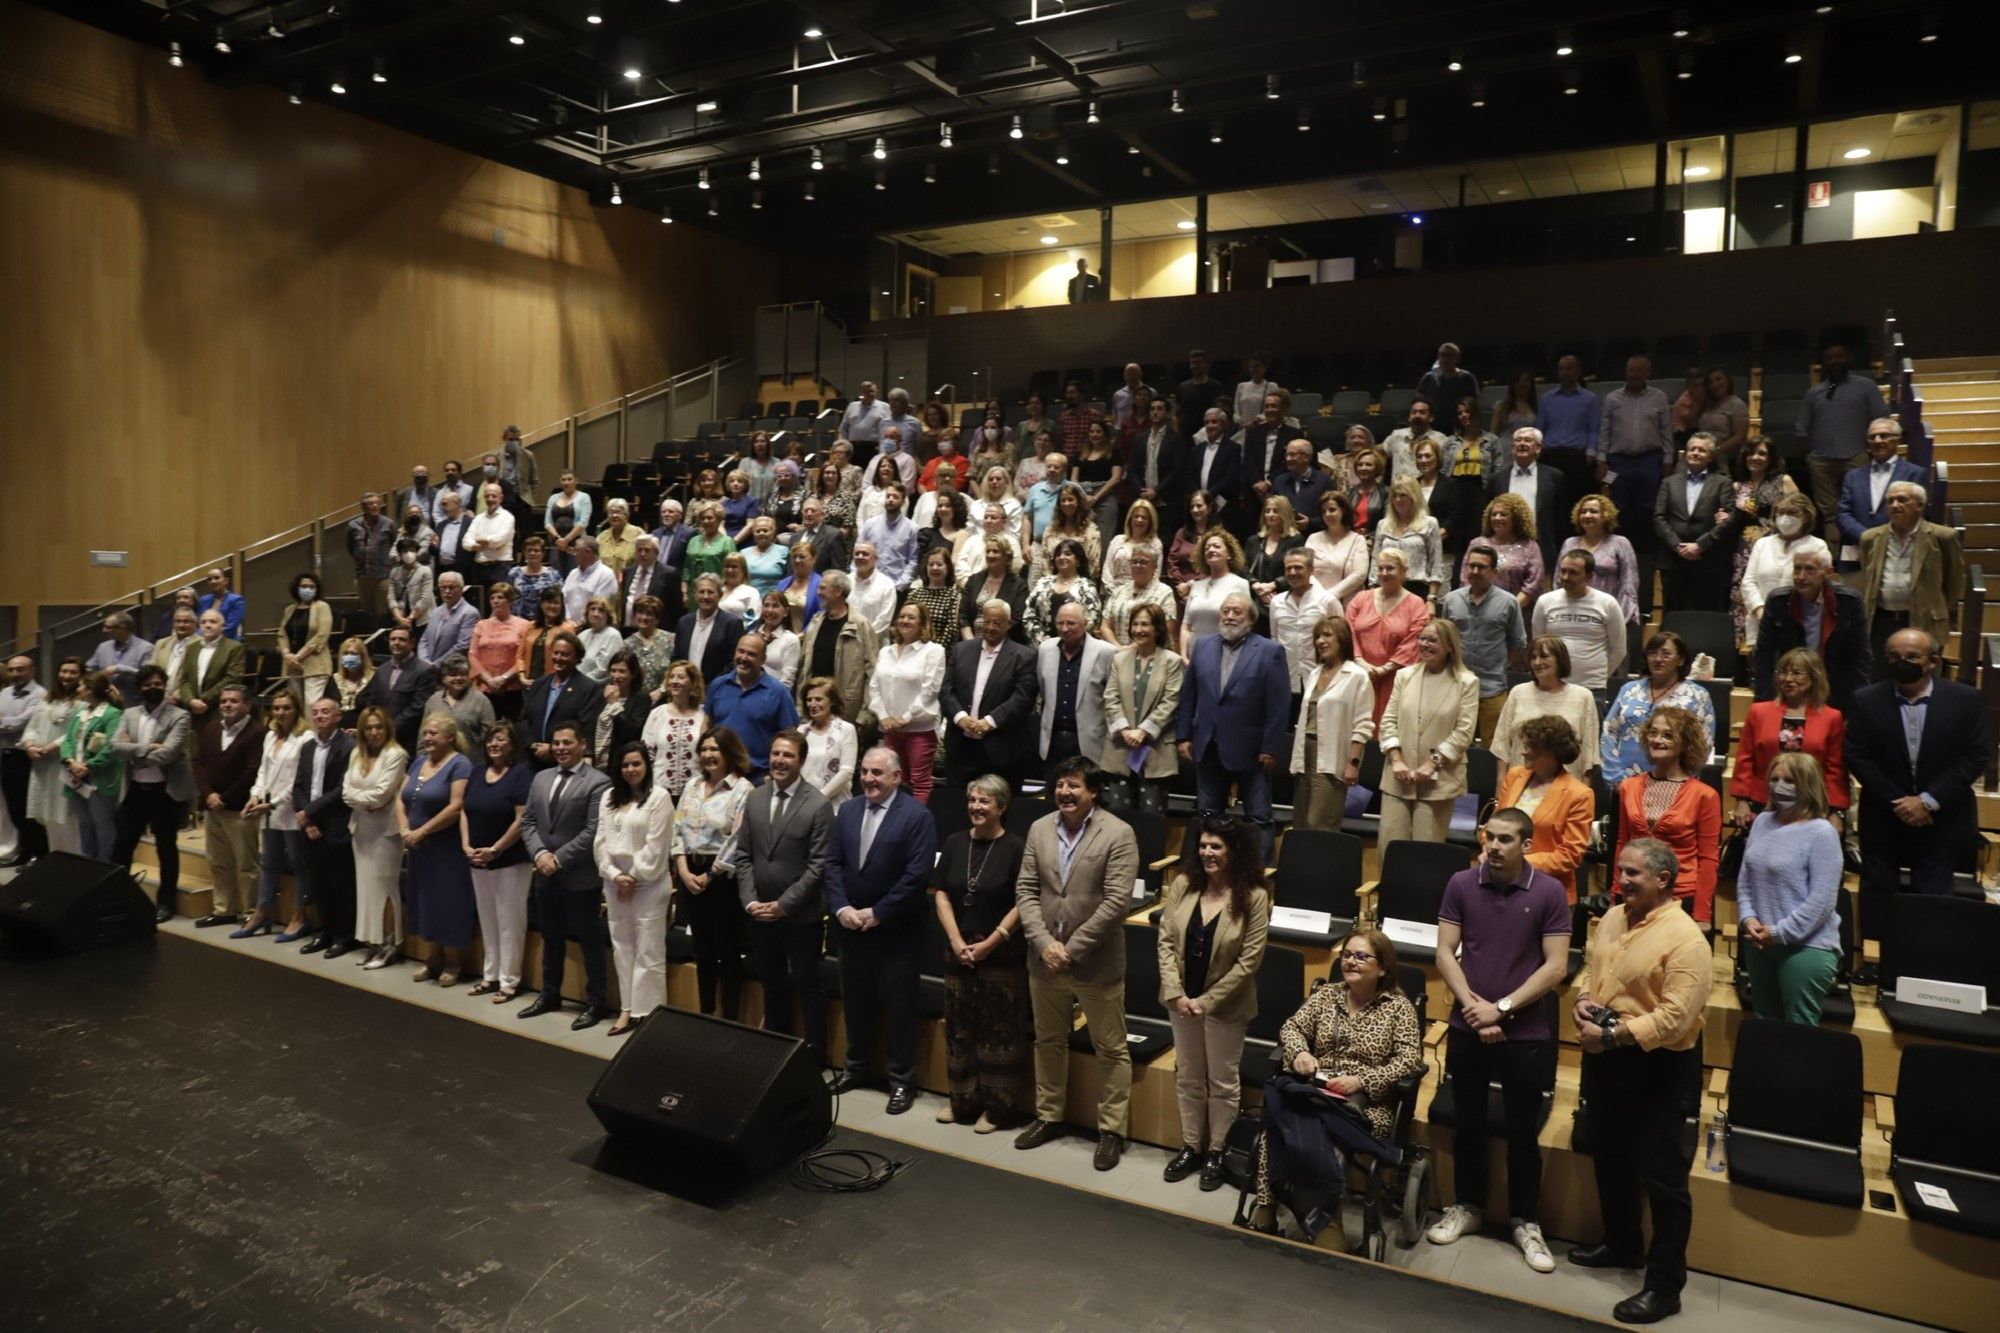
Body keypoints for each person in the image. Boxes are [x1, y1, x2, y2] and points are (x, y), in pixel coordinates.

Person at [1569, 836, 1714, 1325]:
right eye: (1620, 871)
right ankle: (1623, 1244)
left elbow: (1674, 1020)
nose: (1621, 880)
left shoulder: (1687, 940)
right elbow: (1595, 973)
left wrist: (1609, 1038)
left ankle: (1665, 1286)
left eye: (1632, 873)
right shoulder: (1612, 917)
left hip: (1660, 1068)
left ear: (1663, 881)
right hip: (1609, 1055)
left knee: (1664, 1179)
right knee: (1610, 1154)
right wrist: (1583, 1003)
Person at [1428, 807, 1572, 1273]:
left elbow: (1554, 967)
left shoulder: (1549, 892)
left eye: (1506, 839)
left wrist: (1502, 1009)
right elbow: (1444, 951)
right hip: (1469, 1024)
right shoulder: (1460, 884)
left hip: (1524, 1032)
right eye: (1490, 837)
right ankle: (1467, 1206)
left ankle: (1525, 1221)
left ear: (1526, 844)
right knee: (1467, 1122)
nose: (1494, 846)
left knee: (1521, 1132)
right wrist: (1474, 1006)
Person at [1249, 927, 1423, 1233]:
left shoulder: (1399, 1008)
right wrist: (1301, 1052)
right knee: (1275, 1126)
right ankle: (1266, 1206)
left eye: (1361, 956)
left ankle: (1327, 1221)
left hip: (1366, 1105)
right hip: (1316, 1091)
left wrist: (1362, 1081)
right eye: (1346, 955)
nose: (1350, 962)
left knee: (1327, 1138)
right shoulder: (1327, 995)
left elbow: (1409, 1061)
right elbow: (1291, 1028)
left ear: (1382, 967)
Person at [1013, 757, 1140, 1171]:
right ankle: (1048, 1115)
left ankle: (1110, 1131)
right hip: (1044, 960)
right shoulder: (1038, 829)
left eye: (1074, 786)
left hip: (1095, 963)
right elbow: (1027, 890)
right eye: (1060, 785)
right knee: (1048, 1040)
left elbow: (1116, 902)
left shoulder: (1118, 833)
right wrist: (1045, 942)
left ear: (1094, 791)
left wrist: (1072, 948)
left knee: (1111, 1048)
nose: (1064, 793)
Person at [1843, 629, 1991, 940]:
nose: (1902, 662)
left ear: (1933, 661)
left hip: (1941, 816)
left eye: (1911, 657)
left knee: (1933, 897)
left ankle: (1926, 964)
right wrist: (1900, 801)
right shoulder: (1866, 700)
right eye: (1895, 656)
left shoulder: (1965, 700)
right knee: (1877, 890)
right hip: (1885, 815)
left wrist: (1927, 800)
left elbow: (1975, 756)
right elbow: (1857, 756)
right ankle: (1875, 963)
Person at [1156, 816, 1271, 1189]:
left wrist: (1206, 1000)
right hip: (1180, 1000)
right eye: (1203, 845)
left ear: (1234, 851)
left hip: (1225, 1005)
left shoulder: (1254, 897)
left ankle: (1217, 1151)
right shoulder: (1183, 885)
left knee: (1222, 1081)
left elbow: (1249, 961)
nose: (1207, 852)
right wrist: (1175, 992)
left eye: (1216, 846)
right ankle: (1191, 1145)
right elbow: (1166, 942)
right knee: (1188, 1075)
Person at [826, 747, 938, 1113]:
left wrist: (879, 912)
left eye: (877, 773)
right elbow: (833, 864)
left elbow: (916, 875)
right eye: (865, 772)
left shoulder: (917, 816)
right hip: (850, 928)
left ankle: (902, 1081)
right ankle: (856, 1068)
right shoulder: (848, 809)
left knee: (900, 1008)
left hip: (896, 933)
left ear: (896, 777)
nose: (869, 779)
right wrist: (841, 907)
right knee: (855, 1004)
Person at [929, 775, 1032, 1129]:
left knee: (998, 1032)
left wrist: (991, 943)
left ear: (1001, 807)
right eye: (972, 799)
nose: (975, 806)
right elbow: (941, 892)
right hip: (959, 953)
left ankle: (998, 1108)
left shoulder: (1017, 847)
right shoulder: (956, 842)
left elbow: (1023, 902)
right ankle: (963, 1102)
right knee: (959, 1030)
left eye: (984, 801)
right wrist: (957, 941)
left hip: (1001, 955)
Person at [726, 729, 834, 1058]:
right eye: (775, 754)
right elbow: (743, 855)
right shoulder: (756, 797)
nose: (779, 761)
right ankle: (773, 1052)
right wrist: (750, 901)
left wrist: (783, 906)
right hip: (760, 912)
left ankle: (814, 1057)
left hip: (800, 915)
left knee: (807, 983)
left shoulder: (818, 804)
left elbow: (819, 867)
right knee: (772, 983)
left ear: (801, 761)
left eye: (787, 755)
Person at [515, 721, 615, 1027]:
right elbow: (528, 821)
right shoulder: (541, 778)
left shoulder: (599, 782)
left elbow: (593, 830)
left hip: (580, 876)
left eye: (567, 742)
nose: (560, 748)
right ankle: (550, 993)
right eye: (556, 743)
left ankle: (596, 1002)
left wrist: (558, 859)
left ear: (582, 744)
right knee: (551, 936)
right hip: (545, 873)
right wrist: (540, 854)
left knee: (589, 940)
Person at [1178, 592, 1291, 860]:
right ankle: (1206, 872)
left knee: (1259, 817)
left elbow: (1279, 704)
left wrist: (1270, 746)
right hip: (1208, 745)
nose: (1229, 616)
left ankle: (1261, 878)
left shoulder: (1269, 651)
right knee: (1207, 813)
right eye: (1226, 611)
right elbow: (1189, 695)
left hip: (1252, 750)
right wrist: (1183, 735)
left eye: (1236, 612)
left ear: (1250, 619)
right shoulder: (1203, 646)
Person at [1736, 752, 1844, 1025]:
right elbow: (1745, 880)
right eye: (1774, 779)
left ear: (1807, 785)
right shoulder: (1762, 822)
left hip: (1805, 947)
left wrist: (1780, 932)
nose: (1778, 786)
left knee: (1798, 1030)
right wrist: (1748, 919)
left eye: (1789, 780)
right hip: (1759, 942)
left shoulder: (1822, 832)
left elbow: (1822, 900)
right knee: (1763, 1021)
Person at [589, 741, 673, 1038]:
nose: (631, 769)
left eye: (636, 763)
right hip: (614, 884)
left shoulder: (659, 797)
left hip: (648, 884)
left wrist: (632, 877)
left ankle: (648, 1014)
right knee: (622, 948)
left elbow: (657, 846)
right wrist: (614, 875)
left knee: (648, 951)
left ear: (647, 766)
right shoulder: (609, 797)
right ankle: (627, 1008)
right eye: (626, 765)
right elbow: (600, 842)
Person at [670, 726, 753, 1019]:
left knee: (727, 951)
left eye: (714, 749)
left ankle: (729, 1019)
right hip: (689, 874)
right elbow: (677, 826)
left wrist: (711, 874)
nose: (707, 755)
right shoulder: (692, 786)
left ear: (729, 752)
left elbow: (738, 838)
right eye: (704, 749)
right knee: (702, 950)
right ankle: (706, 1013)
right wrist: (682, 869)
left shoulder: (743, 789)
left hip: (722, 879)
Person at [1613, 706, 1723, 923]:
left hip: (1680, 896)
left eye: (1668, 735)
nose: (1657, 740)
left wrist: (1702, 913)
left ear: (1685, 744)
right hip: (1634, 893)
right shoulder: (1629, 787)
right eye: (1653, 733)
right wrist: (1616, 892)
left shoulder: (1705, 795)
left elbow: (1708, 859)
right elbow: (1622, 843)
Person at [1377, 619, 1480, 845]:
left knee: (1426, 850)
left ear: (1450, 646)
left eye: (1432, 640)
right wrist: (1396, 760)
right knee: (1390, 847)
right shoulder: (1404, 676)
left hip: (1438, 782)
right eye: (1422, 639)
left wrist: (1432, 764)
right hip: (1398, 777)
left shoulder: (1467, 682)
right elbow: (1388, 722)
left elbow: (1463, 732)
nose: (1425, 644)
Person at [107, 664, 192, 922]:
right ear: (139, 688)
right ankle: (118, 899)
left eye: (158, 684)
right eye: (148, 685)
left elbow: (169, 753)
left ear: (165, 686)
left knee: (166, 849)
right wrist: (147, 747)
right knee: (121, 848)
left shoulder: (180, 715)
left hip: (165, 792)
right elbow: (114, 747)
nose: (153, 688)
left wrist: (134, 752)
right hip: (135, 790)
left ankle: (166, 904)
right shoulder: (130, 714)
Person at [1732, 648, 1849, 830]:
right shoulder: (1759, 711)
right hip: (1763, 803)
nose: (1787, 679)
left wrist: (1837, 812)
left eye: (1796, 673)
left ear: (1814, 677)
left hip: (1812, 806)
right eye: (1783, 672)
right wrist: (1741, 800)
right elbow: (1745, 760)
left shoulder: (1831, 717)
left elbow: (1836, 770)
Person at [1858, 481, 1964, 678]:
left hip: (1924, 619)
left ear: (1920, 505)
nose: (1895, 505)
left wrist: (1937, 608)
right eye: (1890, 501)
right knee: (1880, 676)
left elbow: (1954, 582)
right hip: (1882, 619)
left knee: (1922, 678)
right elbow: (1868, 577)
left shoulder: (1944, 537)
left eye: (1902, 500)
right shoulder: (1870, 538)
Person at [398, 714, 475, 983]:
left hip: (446, 848)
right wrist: (405, 829)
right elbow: (401, 798)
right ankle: (432, 958)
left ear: (450, 736)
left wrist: (423, 831)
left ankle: (453, 963)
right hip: (419, 849)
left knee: (448, 902)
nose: (427, 738)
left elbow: (456, 806)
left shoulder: (460, 764)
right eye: (426, 733)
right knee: (425, 901)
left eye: (433, 733)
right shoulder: (419, 761)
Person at [1753, 547, 1870, 711]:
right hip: (1791, 687)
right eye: (1797, 568)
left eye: (1809, 570)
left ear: (1828, 573)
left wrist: (1858, 707)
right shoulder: (1778, 601)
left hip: (1835, 689)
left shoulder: (1849, 602)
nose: (1801, 577)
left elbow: (1861, 658)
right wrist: (1763, 702)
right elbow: (1763, 655)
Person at [1493, 716, 1593, 902]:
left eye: (1531, 747)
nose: (1523, 752)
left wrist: (1517, 862)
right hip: (1501, 882)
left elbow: (1570, 855)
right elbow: (1494, 825)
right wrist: (1490, 848)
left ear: (1552, 752)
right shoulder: (1514, 775)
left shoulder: (1579, 794)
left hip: (1547, 890)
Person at [1287, 617, 1373, 832]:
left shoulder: (1357, 676)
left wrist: (1353, 763)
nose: (1320, 641)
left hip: (1332, 755)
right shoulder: (1315, 672)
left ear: (1343, 639)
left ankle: (1321, 866)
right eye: (1317, 636)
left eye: (1327, 635)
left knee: (1321, 823)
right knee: (1301, 821)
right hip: (1305, 751)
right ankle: (1300, 865)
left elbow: (1363, 725)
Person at [941, 599, 1038, 789]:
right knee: (955, 808)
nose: (991, 627)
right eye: (987, 622)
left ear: (1008, 624)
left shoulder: (1024, 656)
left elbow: (1022, 699)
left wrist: (990, 721)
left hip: (1000, 749)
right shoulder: (962, 650)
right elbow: (946, 690)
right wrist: (960, 717)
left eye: (997, 623)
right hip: (961, 747)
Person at [190, 685, 265, 929]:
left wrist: (225, 797)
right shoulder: (212, 728)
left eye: (233, 701)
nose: (227, 705)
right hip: (213, 809)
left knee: (246, 864)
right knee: (218, 862)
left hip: (240, 809)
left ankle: (250, 912)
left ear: (247, 705)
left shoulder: (257, 732)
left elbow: (252, 770)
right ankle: (224, 910)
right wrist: (208, 794)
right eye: (223, 701)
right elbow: (199, 763)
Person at [236, 688, 308, 939]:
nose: (280, 712)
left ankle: (298, 917)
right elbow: (262, 773)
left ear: (296, 709)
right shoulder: (270, 735)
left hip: (290, 811)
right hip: (267, 811)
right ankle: (261, 912)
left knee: (299, 865)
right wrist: (255, 795)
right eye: (276, 708)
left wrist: (274, 802)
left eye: (286, 707)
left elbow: (298, 779)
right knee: (269, 864)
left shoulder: (305, 737)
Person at [1100, 603, 1184, 815]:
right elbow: (1110, 696)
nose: (1139, 629)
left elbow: (1171, 700)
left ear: (1157, 629)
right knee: (1118, 816)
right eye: (1135, 624)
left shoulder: (1172, 661)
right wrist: (1125, 730)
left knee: (1151, 820)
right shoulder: (1119, 659)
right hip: (1121, 746)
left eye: (1145, 624)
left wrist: (1143, 731)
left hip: (1155, 750)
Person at [1600, 631, 1716, 785]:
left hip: (1674, 786)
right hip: (1625, 784)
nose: (1658, 659)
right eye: (1652, 653)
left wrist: (1681, 782)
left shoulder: (1698, 696)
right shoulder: (1628, 689)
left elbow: (1702, 745)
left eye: (1666, 654)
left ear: (1681, 659)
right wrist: (1616, 780)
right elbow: (1609, 732)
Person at [1799, 344, 1886, 547]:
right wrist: (1810, 456)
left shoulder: (1866, 386)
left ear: (1847, 359)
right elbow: (1801, 428)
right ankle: (1835, 559)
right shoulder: (1814, 392)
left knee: (1860, 506)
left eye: (1839, 356)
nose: (1834, 361)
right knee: (1830, 514)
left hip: (1856, 456)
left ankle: (1862, 553)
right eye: (1829, 358)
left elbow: (1881, 419)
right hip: (1822, 461)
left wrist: (1870, 450)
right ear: (1823, 363)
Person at [1442, 543, 1530, 745]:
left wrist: (1500, 666)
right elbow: (1445, 640)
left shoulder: (1509, 602)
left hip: (1493, 689)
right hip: (1455, 688)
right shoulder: (1451, 600)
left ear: (1494, 572)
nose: (1474, 571)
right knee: (1454, 746)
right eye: (1471, 566)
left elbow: (1518, 643)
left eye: (1481, 567)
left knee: (1494, 749)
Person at [343, 705, 408, 969]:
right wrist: (365, 803)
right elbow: (345, 791)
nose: (373, 732)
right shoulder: (356, 753)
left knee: (385, 889)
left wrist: (363, 799)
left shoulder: (397, 754)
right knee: (366, 890)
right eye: (368, 727)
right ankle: (373, 943)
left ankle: (389, 944)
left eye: (378, 726)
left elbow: (383, 794)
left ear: (387, 728)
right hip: (361, 828)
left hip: (386, 831)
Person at [291, 695, 357, 952]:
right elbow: (298, 785)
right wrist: (307, 819)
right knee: (317, 882)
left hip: (336, 824)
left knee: (340, 883)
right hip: (311, 826)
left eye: (325, 712)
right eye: (316, 712)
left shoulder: (349, 746)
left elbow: (342, 790)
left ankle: (344, 936)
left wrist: (309, 813)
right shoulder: (307, 747)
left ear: (338, 716)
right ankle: (323, 931)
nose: (319, 716)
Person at [1492, 636, 1602, 782]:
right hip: (1518, 786)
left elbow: (1590, 756)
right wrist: (1500, 789)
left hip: (1564, 791)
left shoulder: (1583, 697)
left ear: (1560, 659)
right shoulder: (1518, 693)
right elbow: (1502, 747)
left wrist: (1583, 794)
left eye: (1544, 656)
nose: (1537, 662)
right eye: (1533, 657)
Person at [1652, 431, 1738, 614]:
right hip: (1674, 559)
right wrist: (1678, 546)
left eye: (1702, 450)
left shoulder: (1723, 483)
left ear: (1711, 456)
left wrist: (1700, 545)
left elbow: (1728, 519)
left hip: (1708, 559)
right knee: (1673, 614)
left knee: (1706, 614)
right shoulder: (1669, 482)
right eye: (1692, 449)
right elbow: (1659, 518)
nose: (1696, 453)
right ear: (1685, 454)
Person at [867, 603, 945, 803]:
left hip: (919, 729)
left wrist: (905, 717)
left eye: (911, 617)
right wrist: (883, 716)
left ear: (922, 623)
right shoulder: (886, 651)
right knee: (893, 781)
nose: (904, 621)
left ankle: (915, 826)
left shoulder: (933, 651)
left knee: (919, 781)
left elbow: (930, 690)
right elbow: (874, 686)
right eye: (901, 616)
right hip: (890, 729)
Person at [1596, 355, 1674, 554]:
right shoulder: (1613, 398)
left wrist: (1667, 460)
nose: (1635, 374)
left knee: (1648, 509)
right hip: (1619, 463)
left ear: (1647, 373)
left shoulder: (1659, 397)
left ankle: (1646, 555)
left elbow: (1666, 431)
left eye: (1639, 370)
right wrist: (1602, 460)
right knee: (1619, 508)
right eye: (1632, 370)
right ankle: (1620, 551)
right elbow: (1605, 432)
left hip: (1649, 461)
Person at [1348, 549, 1432, 725]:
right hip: (1360, 676)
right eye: (1380, 568)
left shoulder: (1416, 604)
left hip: (1396, 678)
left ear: (1404, 571)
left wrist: (1384, 669)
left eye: (1390, 568)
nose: (1384, 573)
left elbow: (1415, 640)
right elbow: (1347, 632)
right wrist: (1361, 663)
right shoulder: (1361, 598)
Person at [1035, 602, 1115, 782]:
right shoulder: (1045, 649)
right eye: (1060, 623)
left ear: (1085, 624)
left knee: (1086, 797)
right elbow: (1042, 687)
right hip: (1052, 739)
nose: (1064, 629)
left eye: (1071, 623)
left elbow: (1112, 698)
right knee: (1052, 796)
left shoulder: (1106, 652)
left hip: (1088, 740)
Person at [1739, 494, 1830, 651]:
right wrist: (1761, 610)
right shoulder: (1763, 544)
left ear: (1807, 516)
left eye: (1792, 513)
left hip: (1801, 624)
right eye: (1780, 512)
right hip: (1761, 622)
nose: (1785, 518)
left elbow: (1818, 587)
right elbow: (1748, 582)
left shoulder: (1817, 545)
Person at [1531, 550, 1627, 693]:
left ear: (1589, 576)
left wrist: (1599, 677)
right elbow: (1538, 645)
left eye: (1573, 572)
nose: (1565, 577)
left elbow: (1619, 649)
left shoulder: (1608, 603)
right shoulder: (1545, 601)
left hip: (1592, 687)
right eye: (1563, 571)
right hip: (1553, 686)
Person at [705, 634, 798, 778]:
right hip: (719, 773)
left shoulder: (779, 693)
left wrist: (774, 774)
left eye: (751, 654)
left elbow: (790, 738)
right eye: (741, 651)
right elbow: (707, 724)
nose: (744, 657)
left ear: (763, 660)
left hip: (758, 777)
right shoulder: (718, 685)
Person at [796, 571, 877, 732]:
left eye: (823, 588)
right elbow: (803, 667)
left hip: (845, 710)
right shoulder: (815, 621)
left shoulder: (860, 625)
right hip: (812, 708)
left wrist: (865, 715)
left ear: (838, 591)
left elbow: (873, 672)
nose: (818, 592)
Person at [60, 670, 125, 864]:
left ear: (90, 690)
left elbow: (111, 746)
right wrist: (70, 761)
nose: (78, 689)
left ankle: (105, 864)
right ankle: (87, 862)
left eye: (81, 686)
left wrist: (88, 766)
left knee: (102, 823)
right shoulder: (80, 712)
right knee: (85, 822)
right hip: (75, 775)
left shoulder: (112, 714)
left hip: (99, 777)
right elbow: (67, 740)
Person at [22, 658, 83, 858]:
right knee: (48, 817)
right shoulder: (48, 699)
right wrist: (30, 745)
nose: (67, 676)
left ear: (81, 675)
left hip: (63, 764)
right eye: (64, 671)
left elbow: (77, 731)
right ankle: (56, 861)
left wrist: (52, 747)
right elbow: (32, 726)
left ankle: (74, 862)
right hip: (41, 765)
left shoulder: (82, 702)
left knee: (66, 816)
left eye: (73, 672)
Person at [1836, 417, 1925, 555]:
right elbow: (1843, 514)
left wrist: (1884, 539)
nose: (1877, 441)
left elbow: (1915, 513)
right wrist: (1866, 537)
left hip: (1897, 550)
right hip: (1856, 551)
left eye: (1884, 436)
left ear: (1897, 439)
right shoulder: (1853, 476)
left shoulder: (1915, 473)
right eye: (1872, 437)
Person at [1490, 427, 1569, 574]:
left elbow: (1561, 519)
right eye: (1518, 440)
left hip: (1542, 547)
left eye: (1528, 440)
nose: (1522, 443)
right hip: (1505, 546)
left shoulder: (1555, 477)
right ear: (1512, 447)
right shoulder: (1497, 479)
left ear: (1538, 448)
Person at [521, 633, 605, 767]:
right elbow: (524, 719)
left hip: (567, 762)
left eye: (565, 655)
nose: (558, 658)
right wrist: (532, 744)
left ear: (577, 658)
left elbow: (586, 728)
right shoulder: (539, 684)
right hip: (533, 759)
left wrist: (553, 749)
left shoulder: (588, 688)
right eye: (556, 653)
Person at [1560, 494, 1641, 627]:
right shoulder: (1569, 543)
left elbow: (1629, 584)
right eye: (1583, 511)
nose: (1587, 515)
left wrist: (1618, 618)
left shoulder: (1620, 543)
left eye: (1593, 511)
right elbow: (1559, 580)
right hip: (1573, 612)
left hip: (1607, 613)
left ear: (1605, 515)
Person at [356, 625, 436, 758]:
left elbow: (418, 707)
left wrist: (389, 728)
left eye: (401, 639)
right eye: (393, 639)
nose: (396, 643)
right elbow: (373, 700)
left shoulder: (424, 671)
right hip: (380, 739)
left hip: (407, 739)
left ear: (412, 643)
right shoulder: (382, 670)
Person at [0, 657, 48, 867]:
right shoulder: (4, 693)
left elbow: (23, 723)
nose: (15, 674)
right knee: (14, 808)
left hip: (25, 757)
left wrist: (6, 722)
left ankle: (41, 855)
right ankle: (25, 851)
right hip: (5, 755)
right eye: (12, 670)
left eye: (20, 669)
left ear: (32, 671)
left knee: (30, 809)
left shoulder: (40, 694)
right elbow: (12, 724)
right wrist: (9, 723)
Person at [640, 660, 707, 800]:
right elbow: (646, 753)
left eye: (681, 677)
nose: (675, 681)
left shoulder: (704, 714)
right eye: (672, 677)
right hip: (661, 790)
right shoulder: (658, 713)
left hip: (696, 791)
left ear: (693, 682)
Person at [1467, 493, 1544, 610]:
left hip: (1517, 611)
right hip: (1479, 610)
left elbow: (1533, 585)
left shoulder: (1530, 546)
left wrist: (1508, 610)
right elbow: (1466, 579)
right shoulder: (1477, 543)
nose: (1497, 518)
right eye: (1493, 514)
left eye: (1503, 514)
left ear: (1516, 518)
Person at [1179, 530, 1250, 655]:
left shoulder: (1240, 584)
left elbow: (1246, 625)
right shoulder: (1196, 586)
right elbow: (1186, 626)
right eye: (1207, 548)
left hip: (1225, 654)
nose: (1211, 550)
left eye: (1217, 546)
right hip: (1193, 656)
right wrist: (1184, 655)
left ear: (1229, 554)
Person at [1374, 478, 1446, 599]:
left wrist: (1432, 598)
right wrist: (1373, 591)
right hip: (1386, 588)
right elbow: (1375, 562)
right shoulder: (1383, 525)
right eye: (1394, 496)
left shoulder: (1429, 523)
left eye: (1403, 495)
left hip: (1417, 588)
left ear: (1414, 497)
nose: (1398, 500)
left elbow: (1436, 564)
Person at [672, 573, 745, 685]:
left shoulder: (732, 624)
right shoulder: (684, 622)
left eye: (710, 592)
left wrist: (712, 687)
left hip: (717, 689)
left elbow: (733, 662)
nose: (705, 597)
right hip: (685, 689)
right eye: (701, 592)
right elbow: (676, 658)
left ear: (720, 595)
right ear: (695, 595)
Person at [174, 608, 246, 719]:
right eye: (203, 622)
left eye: (213, 621)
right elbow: (184, 679)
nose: (207, 625)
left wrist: (203, 700)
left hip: (217, 709)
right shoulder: (191, 648)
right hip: (191, 709)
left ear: (223, 626)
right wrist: (190, 700)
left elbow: (232, 678)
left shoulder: (234, 648)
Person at [800, 677, 858, 804]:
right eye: (809, 700)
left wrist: (819, 798)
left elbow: (846, 771)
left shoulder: (846, 729)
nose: (812, 704)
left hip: (835, 806)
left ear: (832, 701)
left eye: (818, 699)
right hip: (803, 803)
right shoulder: (801, 731)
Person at [592, 649, 653, 770]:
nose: (616, 676)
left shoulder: (641, 698)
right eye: (613, 671)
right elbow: (590, 726)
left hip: (620, 763)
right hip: (596, 762)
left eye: (622, 671)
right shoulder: (601, 694)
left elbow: (631, 733)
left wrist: (615, 704)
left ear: (633, 674)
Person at [422, 654, 495, 753]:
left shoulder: (481, 700)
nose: (458, 678)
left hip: (471, 762)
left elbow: (490, 735)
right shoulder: (433, 700)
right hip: (436, 761)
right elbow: (423, 733)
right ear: (443, 678)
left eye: (463, 674)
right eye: (453, 674)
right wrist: (421, 758)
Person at [347, 492, 395, 624]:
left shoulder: (389, 524)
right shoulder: (353, 525)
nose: (375, 506)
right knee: (367, 614)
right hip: (362, 576)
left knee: (382, 613)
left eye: (377, 503)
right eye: (370, 504)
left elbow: (394, 545)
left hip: (383, 576)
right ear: (363, 507)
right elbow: (350, 548)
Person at [85, 613, 151, 705]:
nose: (104, 630)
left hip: (134, 704)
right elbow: (88, 669)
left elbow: (147, 677)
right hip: (106, 705)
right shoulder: (103, 647)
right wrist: (100, 676)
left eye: (108, 627)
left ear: (122, 627)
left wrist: (120, 669)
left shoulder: (146, 648)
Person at [418, 571, 478, 667]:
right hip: (428, 668)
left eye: (451, 587)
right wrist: (424, 661)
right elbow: (424, 639)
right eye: (443, 587)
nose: (447, 591)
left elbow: (462, 646)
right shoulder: (436, 611)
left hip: (452, 669)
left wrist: (436, 665)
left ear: (461, 589)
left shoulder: (470, 613)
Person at [1380, 396, 1446, 484]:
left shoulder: (1441, 440)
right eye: (1414, 412)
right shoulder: (1396, 436)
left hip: (1426, 492)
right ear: (1409, 417)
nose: (1417, 415)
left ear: (1431, 417)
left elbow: (1445, 470)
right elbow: (1378, 453)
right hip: (1398, 493)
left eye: (1422, 412)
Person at [848, 542, 901, 636]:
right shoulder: (846, 581)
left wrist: (862, 637)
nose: (860, 557)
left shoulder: (887, 585)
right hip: (846, 640)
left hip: (874, 643)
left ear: (875, 559)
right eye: (857, 554)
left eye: (865, 554)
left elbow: (884, 619)